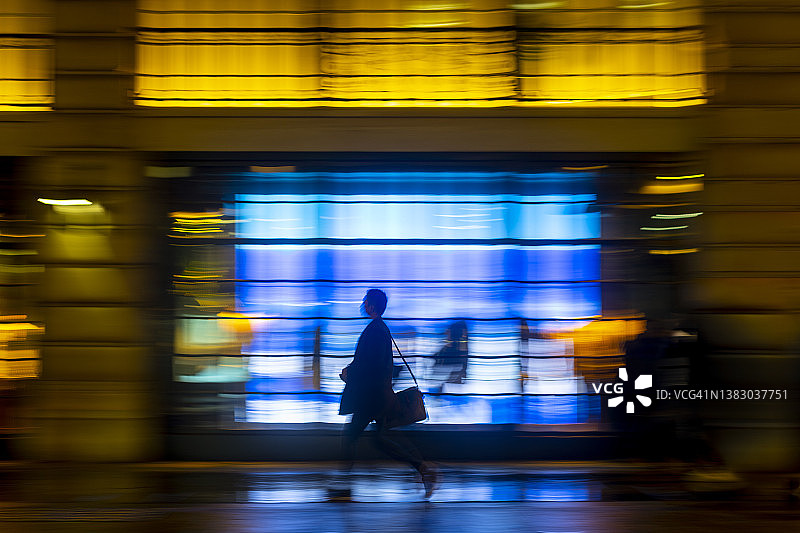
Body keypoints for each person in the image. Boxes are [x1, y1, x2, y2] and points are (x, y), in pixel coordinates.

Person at [331, 288, 438, 500]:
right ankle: (424, 469)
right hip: (377, 396)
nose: (362, 304)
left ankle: (344, 486)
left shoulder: (375, 330)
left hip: (371, 398)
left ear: (371, 306)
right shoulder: (380, 329)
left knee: (351, 436)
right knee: (379, 440)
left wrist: (349, 373)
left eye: (365, 301)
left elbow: (370, 364)